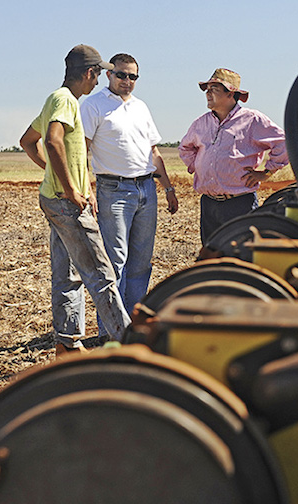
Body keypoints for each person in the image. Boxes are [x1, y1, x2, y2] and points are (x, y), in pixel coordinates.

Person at [18, 44, 131, 355]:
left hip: (57, 198)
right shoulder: (64, 100)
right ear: (89, 73)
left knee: (68, 275)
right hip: (66, 203)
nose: (98, 83)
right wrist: (70, 190)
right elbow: (52, 142)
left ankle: (67, 345)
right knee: (101, 274)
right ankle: (129, 345)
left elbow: (28, 142)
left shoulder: (57, 99)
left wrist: (63, 178)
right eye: (98, 75)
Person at [81, 53, 178, 341]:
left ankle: (133, 327)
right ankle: (111, 331)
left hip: (146, 188)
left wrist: (169, 188)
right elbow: (82, 151)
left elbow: (154, 152)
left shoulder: (141, 107)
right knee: (115, 262)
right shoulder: (94, 105)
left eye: (132, 76)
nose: (127, 81)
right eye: (121, 75)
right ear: (109, 74)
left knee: (141, 262)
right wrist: (88, 188)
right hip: (113, 190)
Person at [178, 68, 288, 244]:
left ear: (231, 94)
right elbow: (185, 148)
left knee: (241, 255)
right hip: (209, 203)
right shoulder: (201, 123)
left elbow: (282, 142)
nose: (208, 93)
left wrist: (266, 173)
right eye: (207, 89)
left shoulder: (252, 120)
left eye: (214, 88)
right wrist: (197, 166)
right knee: (211, 254)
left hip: (239, 204)